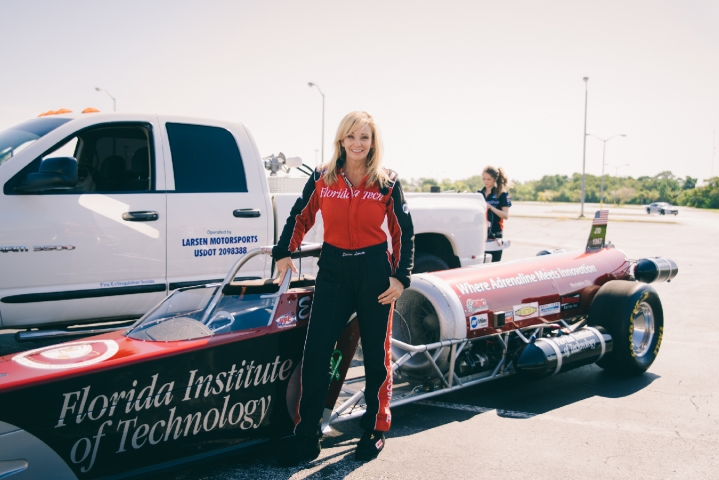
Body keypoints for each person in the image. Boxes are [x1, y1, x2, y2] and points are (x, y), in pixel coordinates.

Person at [273, 111, 414, 465]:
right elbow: (300, 215)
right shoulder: (323, 177)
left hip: (374, 273)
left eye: (364, 137)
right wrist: (283, 252)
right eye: (351, 136)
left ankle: (374, 429)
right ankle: (306, 437)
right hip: (333, 270)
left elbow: (403, 232)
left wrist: (400, 278)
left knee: (376, 356)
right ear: (341, 139)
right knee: (317, 353)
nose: (357, 143)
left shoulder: (387, 181)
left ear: (372, 142)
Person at [478, 166, 511, 261]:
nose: (486, 182)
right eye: (484, 179)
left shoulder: (502, 194)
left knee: (494, 264)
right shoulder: (478, 194)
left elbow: (505, 215)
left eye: (489, 179)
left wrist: (491, 207)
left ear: (495, 179)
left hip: (496, 235)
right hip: (480, 234)